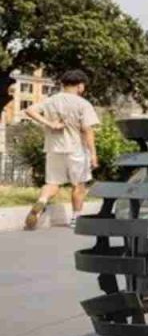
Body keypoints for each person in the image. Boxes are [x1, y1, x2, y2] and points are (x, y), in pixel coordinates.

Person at [23, 70, 100, 230]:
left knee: (52, 183)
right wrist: (93, 154)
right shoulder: (83, 104)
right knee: (79, 186)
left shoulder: (52, 100)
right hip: (76, 150)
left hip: (54, 148)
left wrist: (49, 124)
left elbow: (29, 110)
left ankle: (42, 201)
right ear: (80, 86)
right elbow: (87, 130)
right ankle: (75, 218)